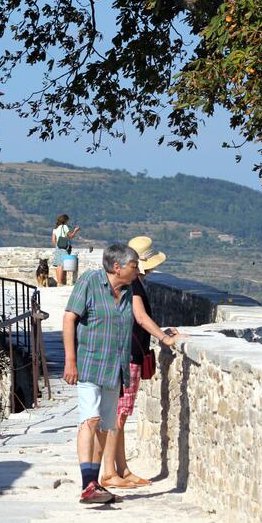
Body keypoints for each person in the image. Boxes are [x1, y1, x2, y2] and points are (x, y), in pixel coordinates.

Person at [98, 236, 179, 489]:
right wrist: (164, 337)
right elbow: (141, 318)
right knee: (118, 416)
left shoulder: (133, 284)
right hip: (129, 356)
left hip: (126, 353)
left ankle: (121, 469)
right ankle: (109, 471)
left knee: (119, 415)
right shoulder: (134, 287)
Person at [62, 243, 140, 504]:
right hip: (90, 364)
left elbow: (138, 319)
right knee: (90, 419)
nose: (137, 270)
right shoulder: (90, 282)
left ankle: (94, 483)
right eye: (134, 266)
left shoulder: (128, 291)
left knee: (105, 427)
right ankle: (87, 484)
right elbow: (69, 318)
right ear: (117, 267)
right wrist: (70, 360)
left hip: (114, 368)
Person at [52, 213, 80, 286]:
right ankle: (61, 282)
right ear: (65, 220)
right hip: (64, 247)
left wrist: (57, 245)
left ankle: (59, 282)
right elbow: (70, 236)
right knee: (62, 264)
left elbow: (53, 240)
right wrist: (75, 231)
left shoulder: (55, 229)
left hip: (58, 247)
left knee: (58, 265)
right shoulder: (65, 227)